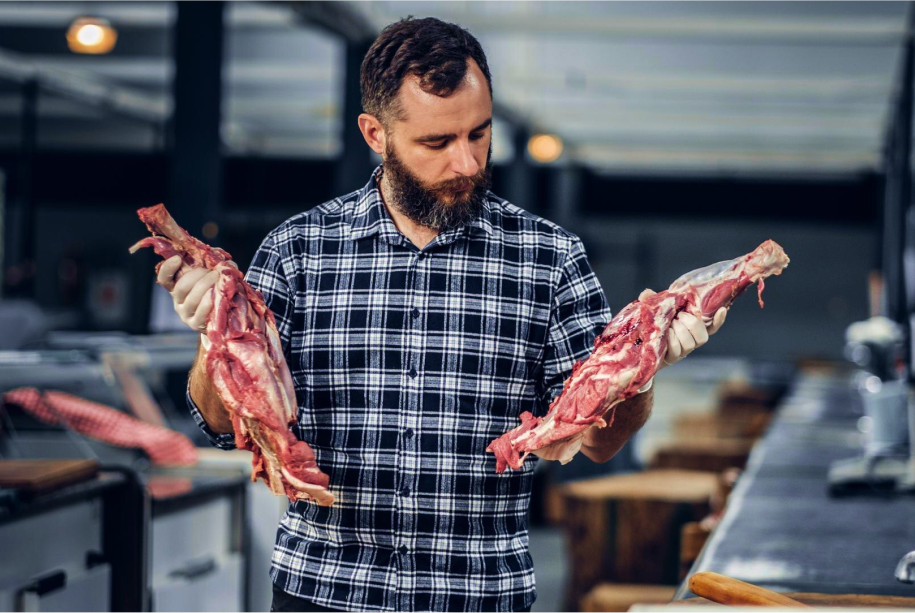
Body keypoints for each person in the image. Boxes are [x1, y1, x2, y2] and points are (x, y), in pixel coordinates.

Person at [157, 17, 727, 613]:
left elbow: (599, 445)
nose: (467, 163)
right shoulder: (297, 250)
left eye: (479, 134)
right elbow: (223, 425)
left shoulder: (550, 258)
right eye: (437, 142)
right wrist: (212, 335)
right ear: (375, 133)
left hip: (480, 596)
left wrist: (642, 369)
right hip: (322, 593)